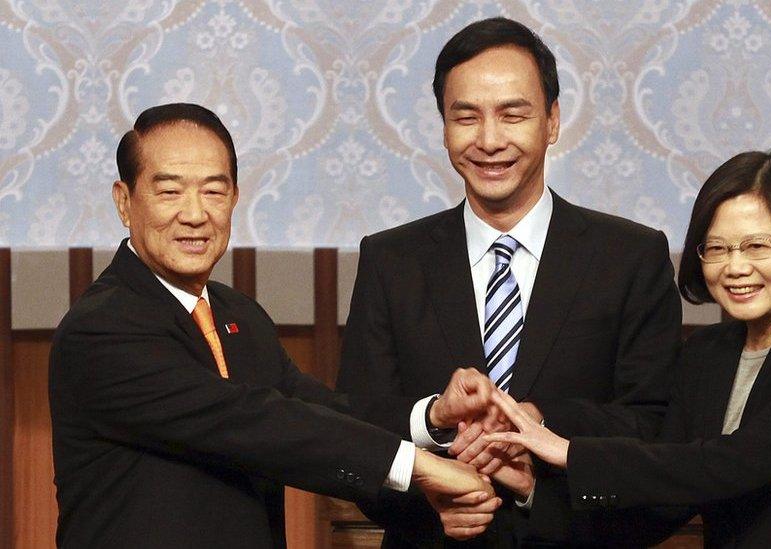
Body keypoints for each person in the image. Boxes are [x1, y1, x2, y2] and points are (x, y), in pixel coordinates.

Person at [49, 103, 499, 549]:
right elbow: (250, 422)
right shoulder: (100, 328)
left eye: (213, 191)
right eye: (169, 192)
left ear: (235, 199)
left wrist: (432, 417)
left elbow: (314, 407)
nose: (194, 214)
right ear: (125, 203)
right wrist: (415, 465)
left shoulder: (239, 315)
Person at [336, 16, 682, 547]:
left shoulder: (631, 256)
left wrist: (541, 424)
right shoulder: (390, 260)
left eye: (512, 114)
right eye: (466, 117)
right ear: (444, 128)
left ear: (552, 121)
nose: (489, 140)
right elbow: (356, 432)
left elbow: (654, 425)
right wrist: (431, 492)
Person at [486, 150, 771, 547]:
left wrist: (572, 454)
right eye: (716, 248)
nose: (735, 267)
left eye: (756, 246)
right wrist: (534, 492)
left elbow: (728, 465)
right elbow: (664, 497)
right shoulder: (707, 354)